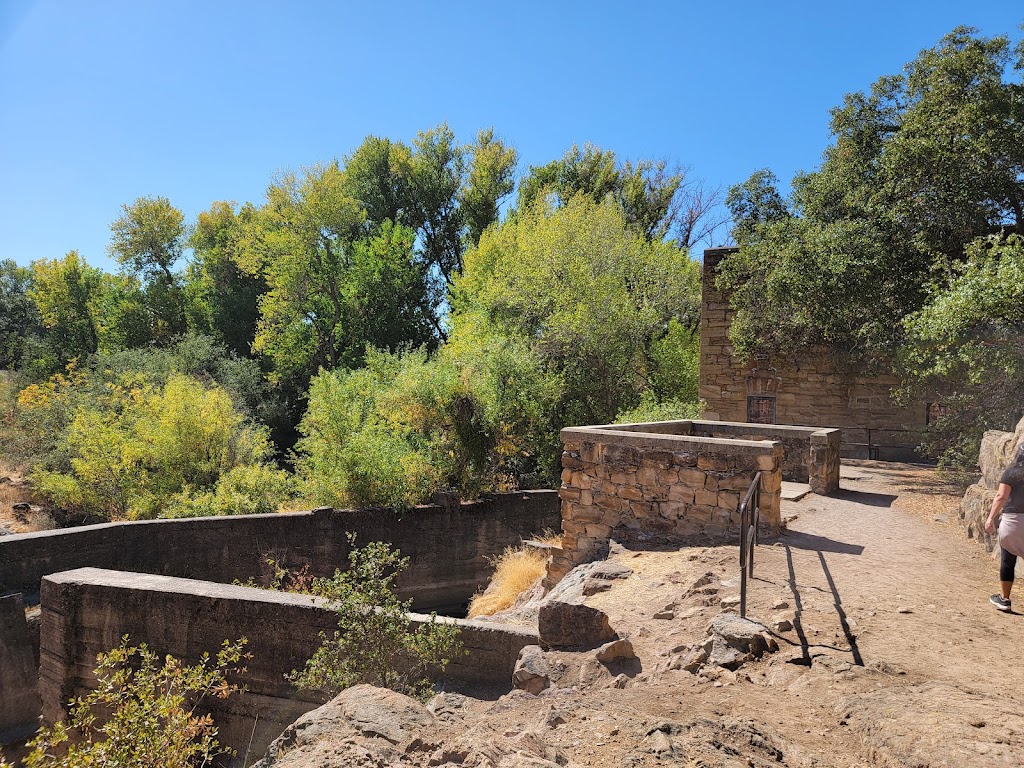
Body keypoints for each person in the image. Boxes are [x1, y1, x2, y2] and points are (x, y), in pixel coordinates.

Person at [985, 445, 1024, 611]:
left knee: (1008, 559)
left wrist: (990, 518)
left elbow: (1001, 496)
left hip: (1013, 521)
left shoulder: (1011, 472)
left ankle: (1005, 599)